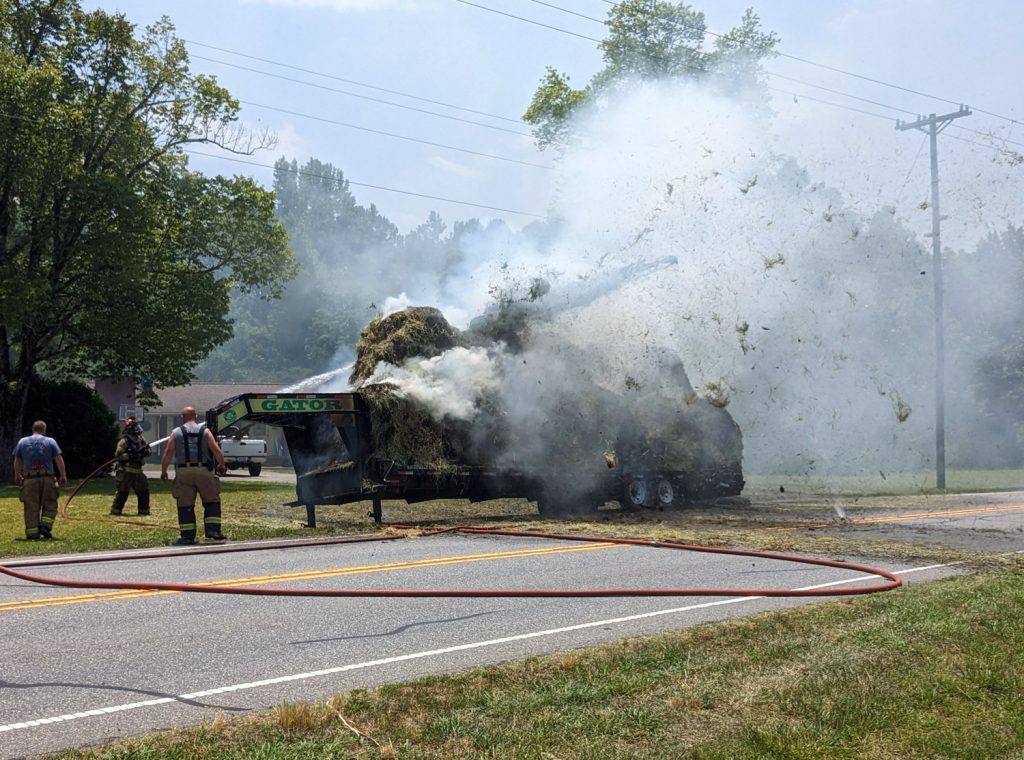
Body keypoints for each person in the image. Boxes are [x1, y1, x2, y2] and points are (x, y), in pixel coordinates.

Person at [160, 406, 227, 545]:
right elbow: (215, 449)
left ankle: (187, 536)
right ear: (195, 417)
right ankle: (213, 531)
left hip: (184, 472)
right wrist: (221, 464)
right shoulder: (205, 431)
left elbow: (168, 453)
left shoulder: (176, 432)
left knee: (185, 504)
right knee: (211, 500)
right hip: (204, 471)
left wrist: (164, 471)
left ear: (182, 417)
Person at [11, 420, 68, 540]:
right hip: (48, 477)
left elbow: (17, 461)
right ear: (44, 430)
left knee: (31, 506)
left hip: (30, 479)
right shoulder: (50, 441)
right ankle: (45, 526)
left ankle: (32, 533)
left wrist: (17, 476)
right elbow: (58, 459)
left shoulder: (22, 442)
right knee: (50, 503)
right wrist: (63, 475)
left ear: (33, 429)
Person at [110, 416, 151, 516]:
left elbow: (148, 450)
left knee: (144, 491)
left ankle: (144, 511)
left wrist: (145, 451)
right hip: (126, 471)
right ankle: (116, 511)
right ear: (130, 429)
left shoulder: (141, 439)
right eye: (135, 427)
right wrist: (129, 455)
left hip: (138, 471)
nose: (137, 429)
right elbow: (117, 456)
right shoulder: (124, 441)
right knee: (122, 493)